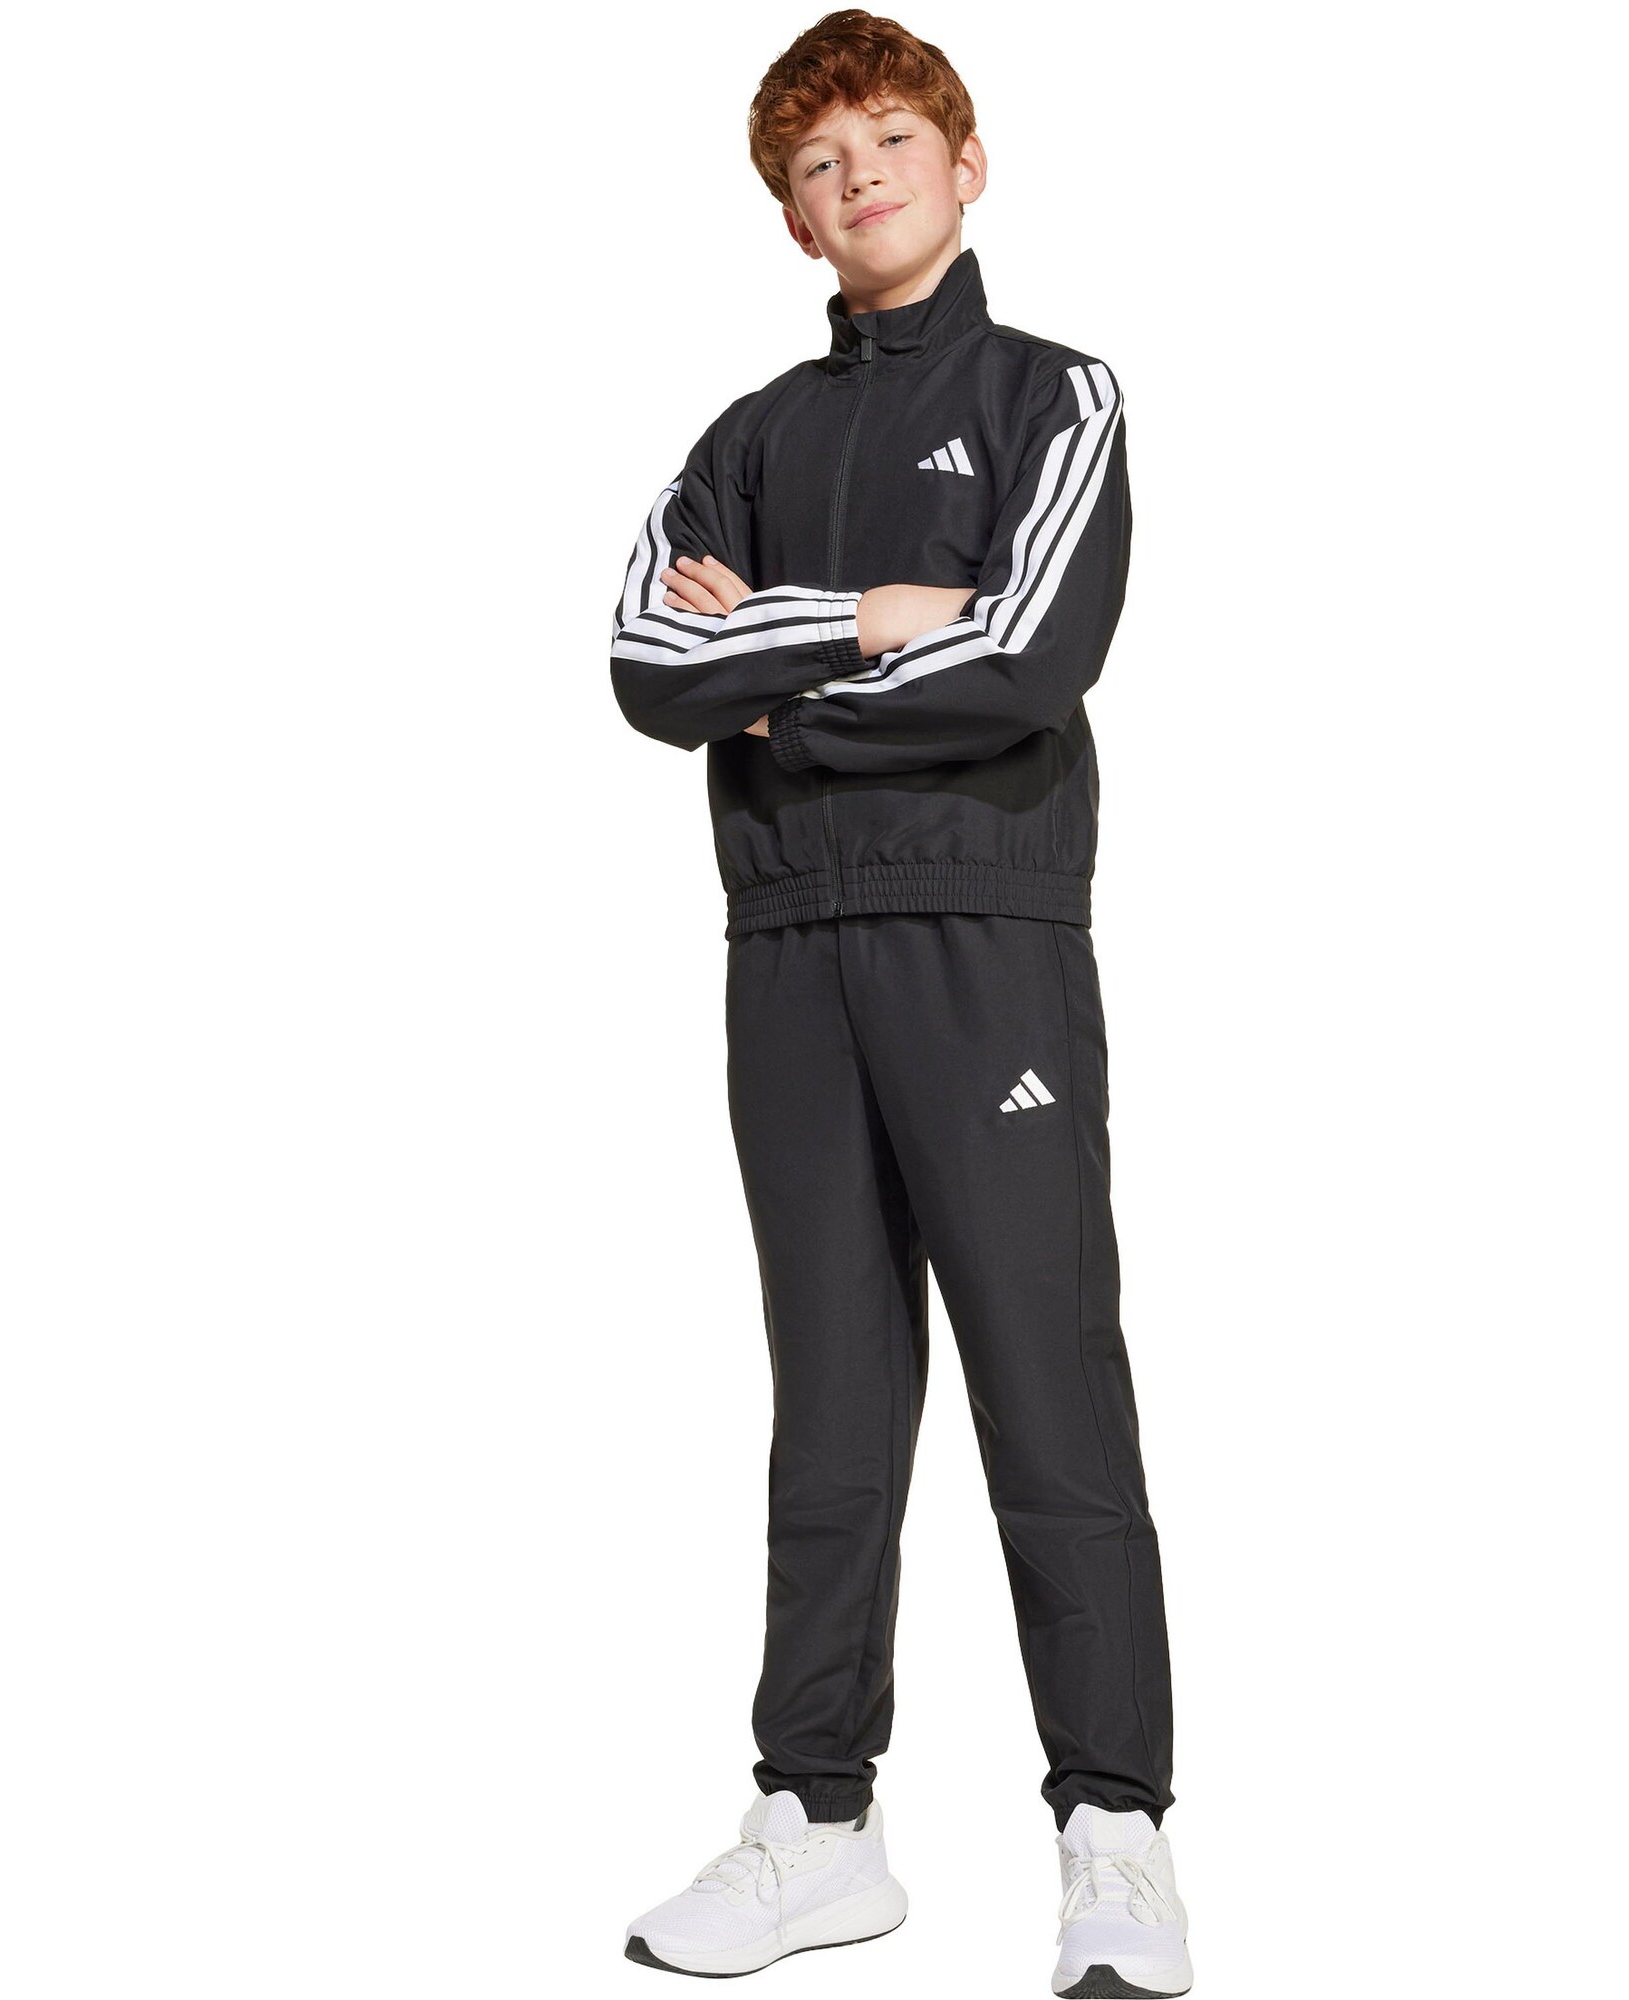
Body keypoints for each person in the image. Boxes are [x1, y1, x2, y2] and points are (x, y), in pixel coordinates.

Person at [607, 12, 1188, 1992]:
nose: (855, 177)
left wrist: (776, 692)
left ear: (964, 160)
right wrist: (867, 621)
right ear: (790, 215)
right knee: (831, 1399)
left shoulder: (1053, 395)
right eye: (815, 163)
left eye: (887, 141)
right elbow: (642, 662)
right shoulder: (745, 439)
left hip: (982, 934)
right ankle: (818, 1821)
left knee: (1045, 1373)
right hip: (783, 947)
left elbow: (1029, 652)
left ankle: (1114, 1830)